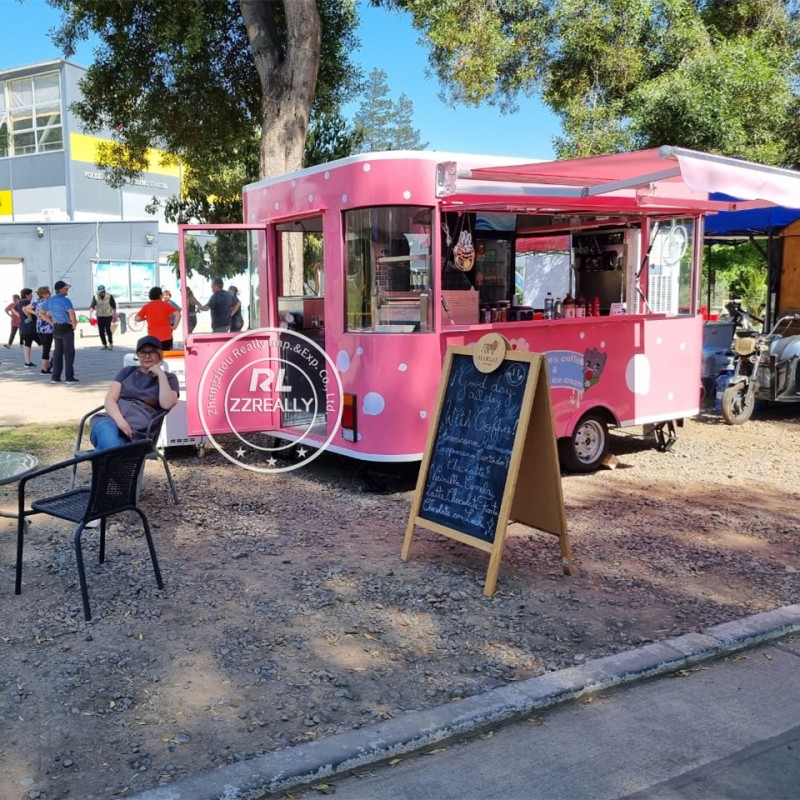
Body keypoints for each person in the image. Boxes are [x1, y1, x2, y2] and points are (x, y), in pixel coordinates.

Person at [90, 335, 179, 450]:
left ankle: (102, 465)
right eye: (142, 353)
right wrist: (120, 422)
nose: (147, 356)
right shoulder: (127, 372)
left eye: (152, 352)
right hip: (110, 422)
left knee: (111, 449)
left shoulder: (169, 379)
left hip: (136, 435)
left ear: (160, 355)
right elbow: (110, 399)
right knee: (110, 442)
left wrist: (161, 374)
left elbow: (167, 404)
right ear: (137, 355)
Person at [40, 280, 78, 384]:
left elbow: (41, 313)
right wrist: (74, 325)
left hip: (56, 327)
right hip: (66, 327)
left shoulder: (50, 300)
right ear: (60, 289)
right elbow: (72, 314)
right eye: (66, 288)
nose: (67, 290)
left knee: (58, 353)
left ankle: (55, 377)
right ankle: (69, 377)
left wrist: (51, 322)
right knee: (69, 353)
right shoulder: (66, 300)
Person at [135, 286, 180, 351]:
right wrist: (174, 327)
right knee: (167, 356)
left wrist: (145, 318)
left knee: (155, 356)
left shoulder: (147, 306)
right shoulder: (166, 305)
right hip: (166, 335)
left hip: (153, 336)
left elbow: (137, 318)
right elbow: (178, 314)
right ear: (160, 295)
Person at [32, 286, 54, 374]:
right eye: (48, 292)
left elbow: (26, 308)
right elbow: (48, 314)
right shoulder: (48, 302)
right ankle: (45, 368)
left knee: (45, 347)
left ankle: (46, 366)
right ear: (44, 294)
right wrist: (51, 322)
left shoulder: (36, 301)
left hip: (38, 327)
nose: (50, 294)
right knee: (47, 348)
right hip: (47, 328)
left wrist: (36, 315)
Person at [17, 289, 40, 367]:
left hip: (23, 328)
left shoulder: (19, 303)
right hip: (31, 328)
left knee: (27, 344)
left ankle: (27, 362)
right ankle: (49, 359)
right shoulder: (28, 303)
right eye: (31, 295)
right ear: (27, 295)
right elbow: (25, 309)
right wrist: (30, 316)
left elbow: (16, 311)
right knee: (42, 343)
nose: (32, 296)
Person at [89, 284, 117, 350]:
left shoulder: (109, 296)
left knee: (108, 329)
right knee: (101, 331)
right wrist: (90, 315)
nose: (102, 293)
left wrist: (114, 315)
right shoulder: (95, 297)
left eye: (103, 291)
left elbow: (114, 306)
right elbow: (92, 306)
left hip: (108, 315)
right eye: (101, 292)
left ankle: (110, 343)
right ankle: (104, 344)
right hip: (100, 316)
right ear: (98, 292)